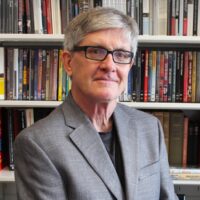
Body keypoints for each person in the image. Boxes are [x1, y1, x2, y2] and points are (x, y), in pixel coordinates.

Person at [14, 7, 178, 200]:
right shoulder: (37, 144)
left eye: (122, 55)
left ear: (130, 65)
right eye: (96, 51)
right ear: (68, 62)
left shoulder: (149, 128)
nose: (109, 65)